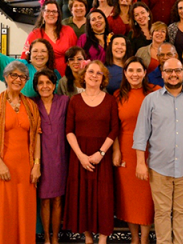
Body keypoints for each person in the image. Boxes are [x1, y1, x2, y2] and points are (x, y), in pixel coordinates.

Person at [133, 57, 183, 244]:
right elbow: (141, 134)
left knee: (182, 211)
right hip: (159, 166)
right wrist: (140, 163)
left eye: (177, 70)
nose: (173, 74)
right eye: (169, 71)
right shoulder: (151, 100)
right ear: (162, 74)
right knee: (161, 211)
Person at [0, 61, 41, 244]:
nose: (18, 80)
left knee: (24, 213)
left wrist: (37, 165)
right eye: (14, 75)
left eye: (22, 77)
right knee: (3, 213)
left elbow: (36, 137)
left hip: (26, 169)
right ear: (6, 77)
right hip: (2, 169)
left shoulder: (31, 106)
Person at [63, 60, 119, 244]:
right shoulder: (75, 101)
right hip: (79, 156)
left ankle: (102, 239)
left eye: (98, 73)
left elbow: (114, 129)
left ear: (103, 79)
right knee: (83, 197)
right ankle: (87, 237)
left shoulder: (111, 100)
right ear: (84, 76)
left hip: (101, 156)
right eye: (91, 72)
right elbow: (69, 130)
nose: (94, 75)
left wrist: (100, 153)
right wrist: (80, 156)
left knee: (103, 198)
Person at [112, 56, 160, 244]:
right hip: (126, 149)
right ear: (125, 73)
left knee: (146, 196)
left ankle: (145, 238)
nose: (135, 74)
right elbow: (114, 127)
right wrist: (116, 151)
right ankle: (134, 238)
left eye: (138, 70)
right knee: (129, 196)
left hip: (151, 150)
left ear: (145, 73)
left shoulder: (155, 92)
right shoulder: (117, 95)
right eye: (130, 70)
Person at [33, 69, 69, 244]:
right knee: (44, 199)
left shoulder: (65, 101)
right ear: (36, 87)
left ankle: (55, 238)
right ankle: (46, 238)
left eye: (48, 82)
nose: (45, 86)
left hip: (61, 156)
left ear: (54, 85)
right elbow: (10, 103)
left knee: (57, 199)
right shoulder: (32, 104)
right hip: (41, 158)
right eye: (41, 83)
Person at [21, 0, 78, 76]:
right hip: (43, 79)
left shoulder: (68, 31)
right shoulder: (34, 34)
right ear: (43, 14)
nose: (51, 14)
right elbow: (25, 58)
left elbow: (77, 55)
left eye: (54, 11)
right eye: (48, 11)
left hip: (67, 78)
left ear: (58, 14)